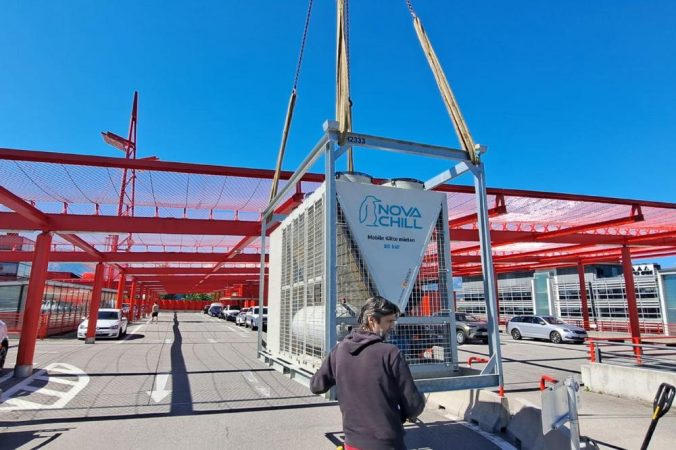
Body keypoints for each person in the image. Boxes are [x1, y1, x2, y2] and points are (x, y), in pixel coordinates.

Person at [310, 296, 425, 450]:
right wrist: (417, 402)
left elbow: (316, 386)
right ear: (371, 320)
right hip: (386, 444)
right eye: (389, 321)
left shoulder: (339, 350)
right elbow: (413, 406)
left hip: (352, 442)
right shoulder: (390, 353)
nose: (392, 326)